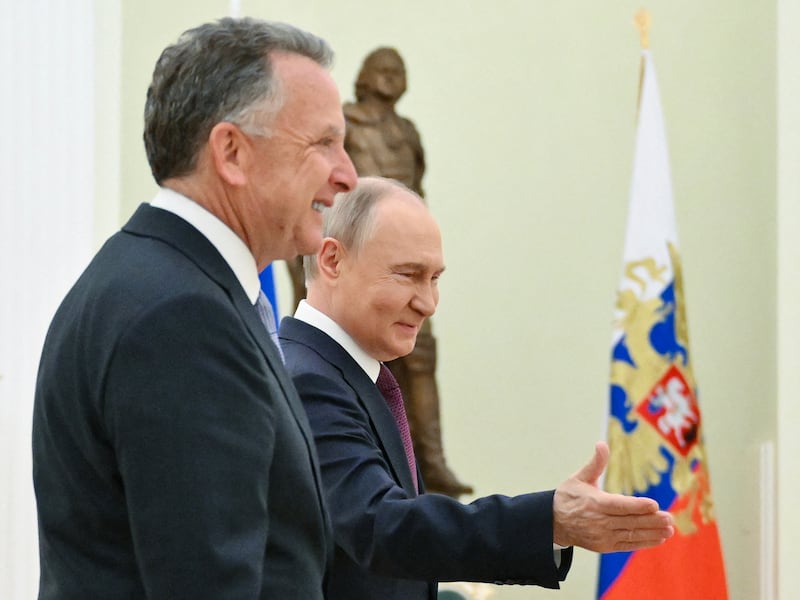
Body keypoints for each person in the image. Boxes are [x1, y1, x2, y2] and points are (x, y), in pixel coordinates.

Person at [32, 17, 356, 599]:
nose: (347, 175)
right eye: (323, 143)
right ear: (231, 152)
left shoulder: (156, 280)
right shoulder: (182, 319)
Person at [279, 176, 675, 599]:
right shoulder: (307, 381)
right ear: (332, 261)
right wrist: (550, 521)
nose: (428, 303)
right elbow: (383, 526)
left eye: (435, 278)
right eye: (408, 275)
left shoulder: (341, 375)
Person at [344, 46, 472, 497]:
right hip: (361, 252)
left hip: (408, 256)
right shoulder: (345, 124)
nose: (391, 77)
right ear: (365, 75)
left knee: (420, 355)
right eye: (382, 69)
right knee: (365, 356)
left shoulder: (407, 131)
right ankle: (380, 460)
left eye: (398, 71)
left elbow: (417, 191)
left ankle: (430, 462)